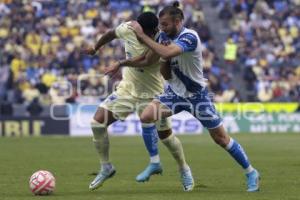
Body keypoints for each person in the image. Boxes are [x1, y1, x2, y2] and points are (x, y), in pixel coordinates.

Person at [129, 2, 260, 192]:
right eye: (160, 24)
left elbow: (166, 51)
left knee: (221, 139)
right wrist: (159, 60)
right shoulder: (164, 36)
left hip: (197, 97)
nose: (161, 28)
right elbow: (165, 72)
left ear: (178, 22)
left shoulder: (190, 37)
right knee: (146, 115)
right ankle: (156, 163)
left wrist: (144, 37)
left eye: (165, 24)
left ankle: (251, 172)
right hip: (174, 95)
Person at [82, 12, 194, 191]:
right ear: (138, 28)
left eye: (151, 33)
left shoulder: (162, 38)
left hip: (154, 94)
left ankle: (184, 169)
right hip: (128, 90)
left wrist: (120, 64)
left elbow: (147, 61)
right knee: (97, 123)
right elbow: (110, 34)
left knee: (165, 136)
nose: (148, 37)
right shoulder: (127, 28)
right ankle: (106, 167)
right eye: (145, 33)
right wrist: (96, 47)